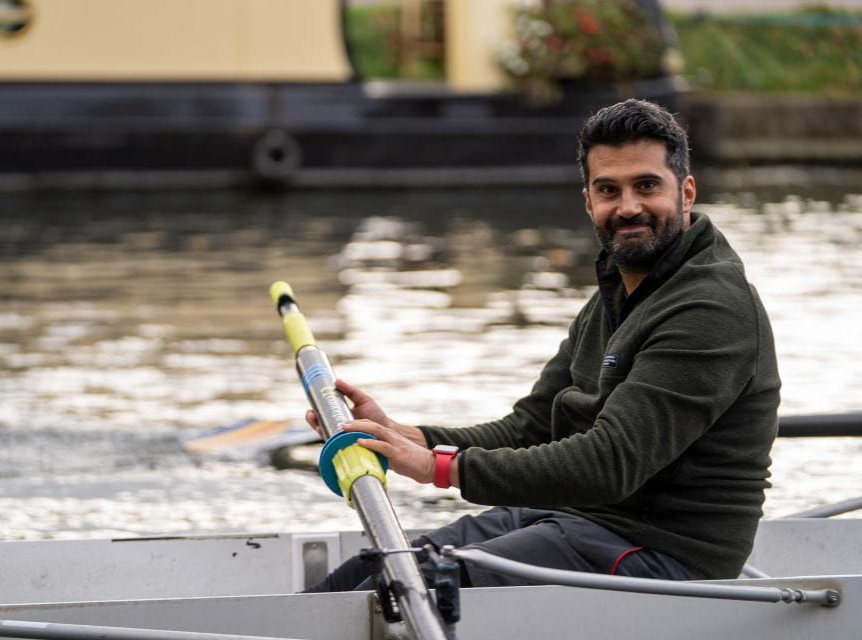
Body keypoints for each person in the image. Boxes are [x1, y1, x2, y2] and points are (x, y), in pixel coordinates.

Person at [304, 99, 780, 591]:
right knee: (375, 569)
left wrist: (436, 468)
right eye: (608, 190)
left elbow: (610, 462)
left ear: (685, 193)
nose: (628, 207)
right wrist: (405, 436)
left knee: (409, 587)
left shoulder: (710, 308)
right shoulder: (619, 293)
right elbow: (533, 425)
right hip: (580, 520)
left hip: (663, 554)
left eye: (646, 186)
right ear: (588, 202)